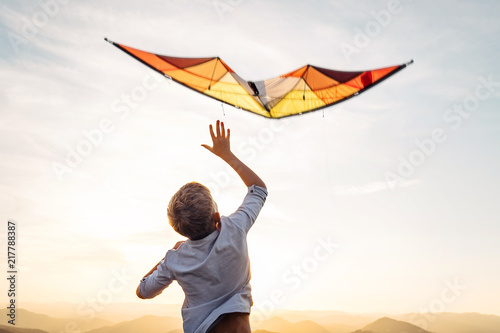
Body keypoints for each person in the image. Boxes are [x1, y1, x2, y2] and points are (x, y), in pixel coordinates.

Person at [136, 120, 267, 333]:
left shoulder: (174, 260)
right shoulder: (234, 228)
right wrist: (227, 155)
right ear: (217, 217)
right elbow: (258, 189)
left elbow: (143, 291)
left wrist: (169, 256)